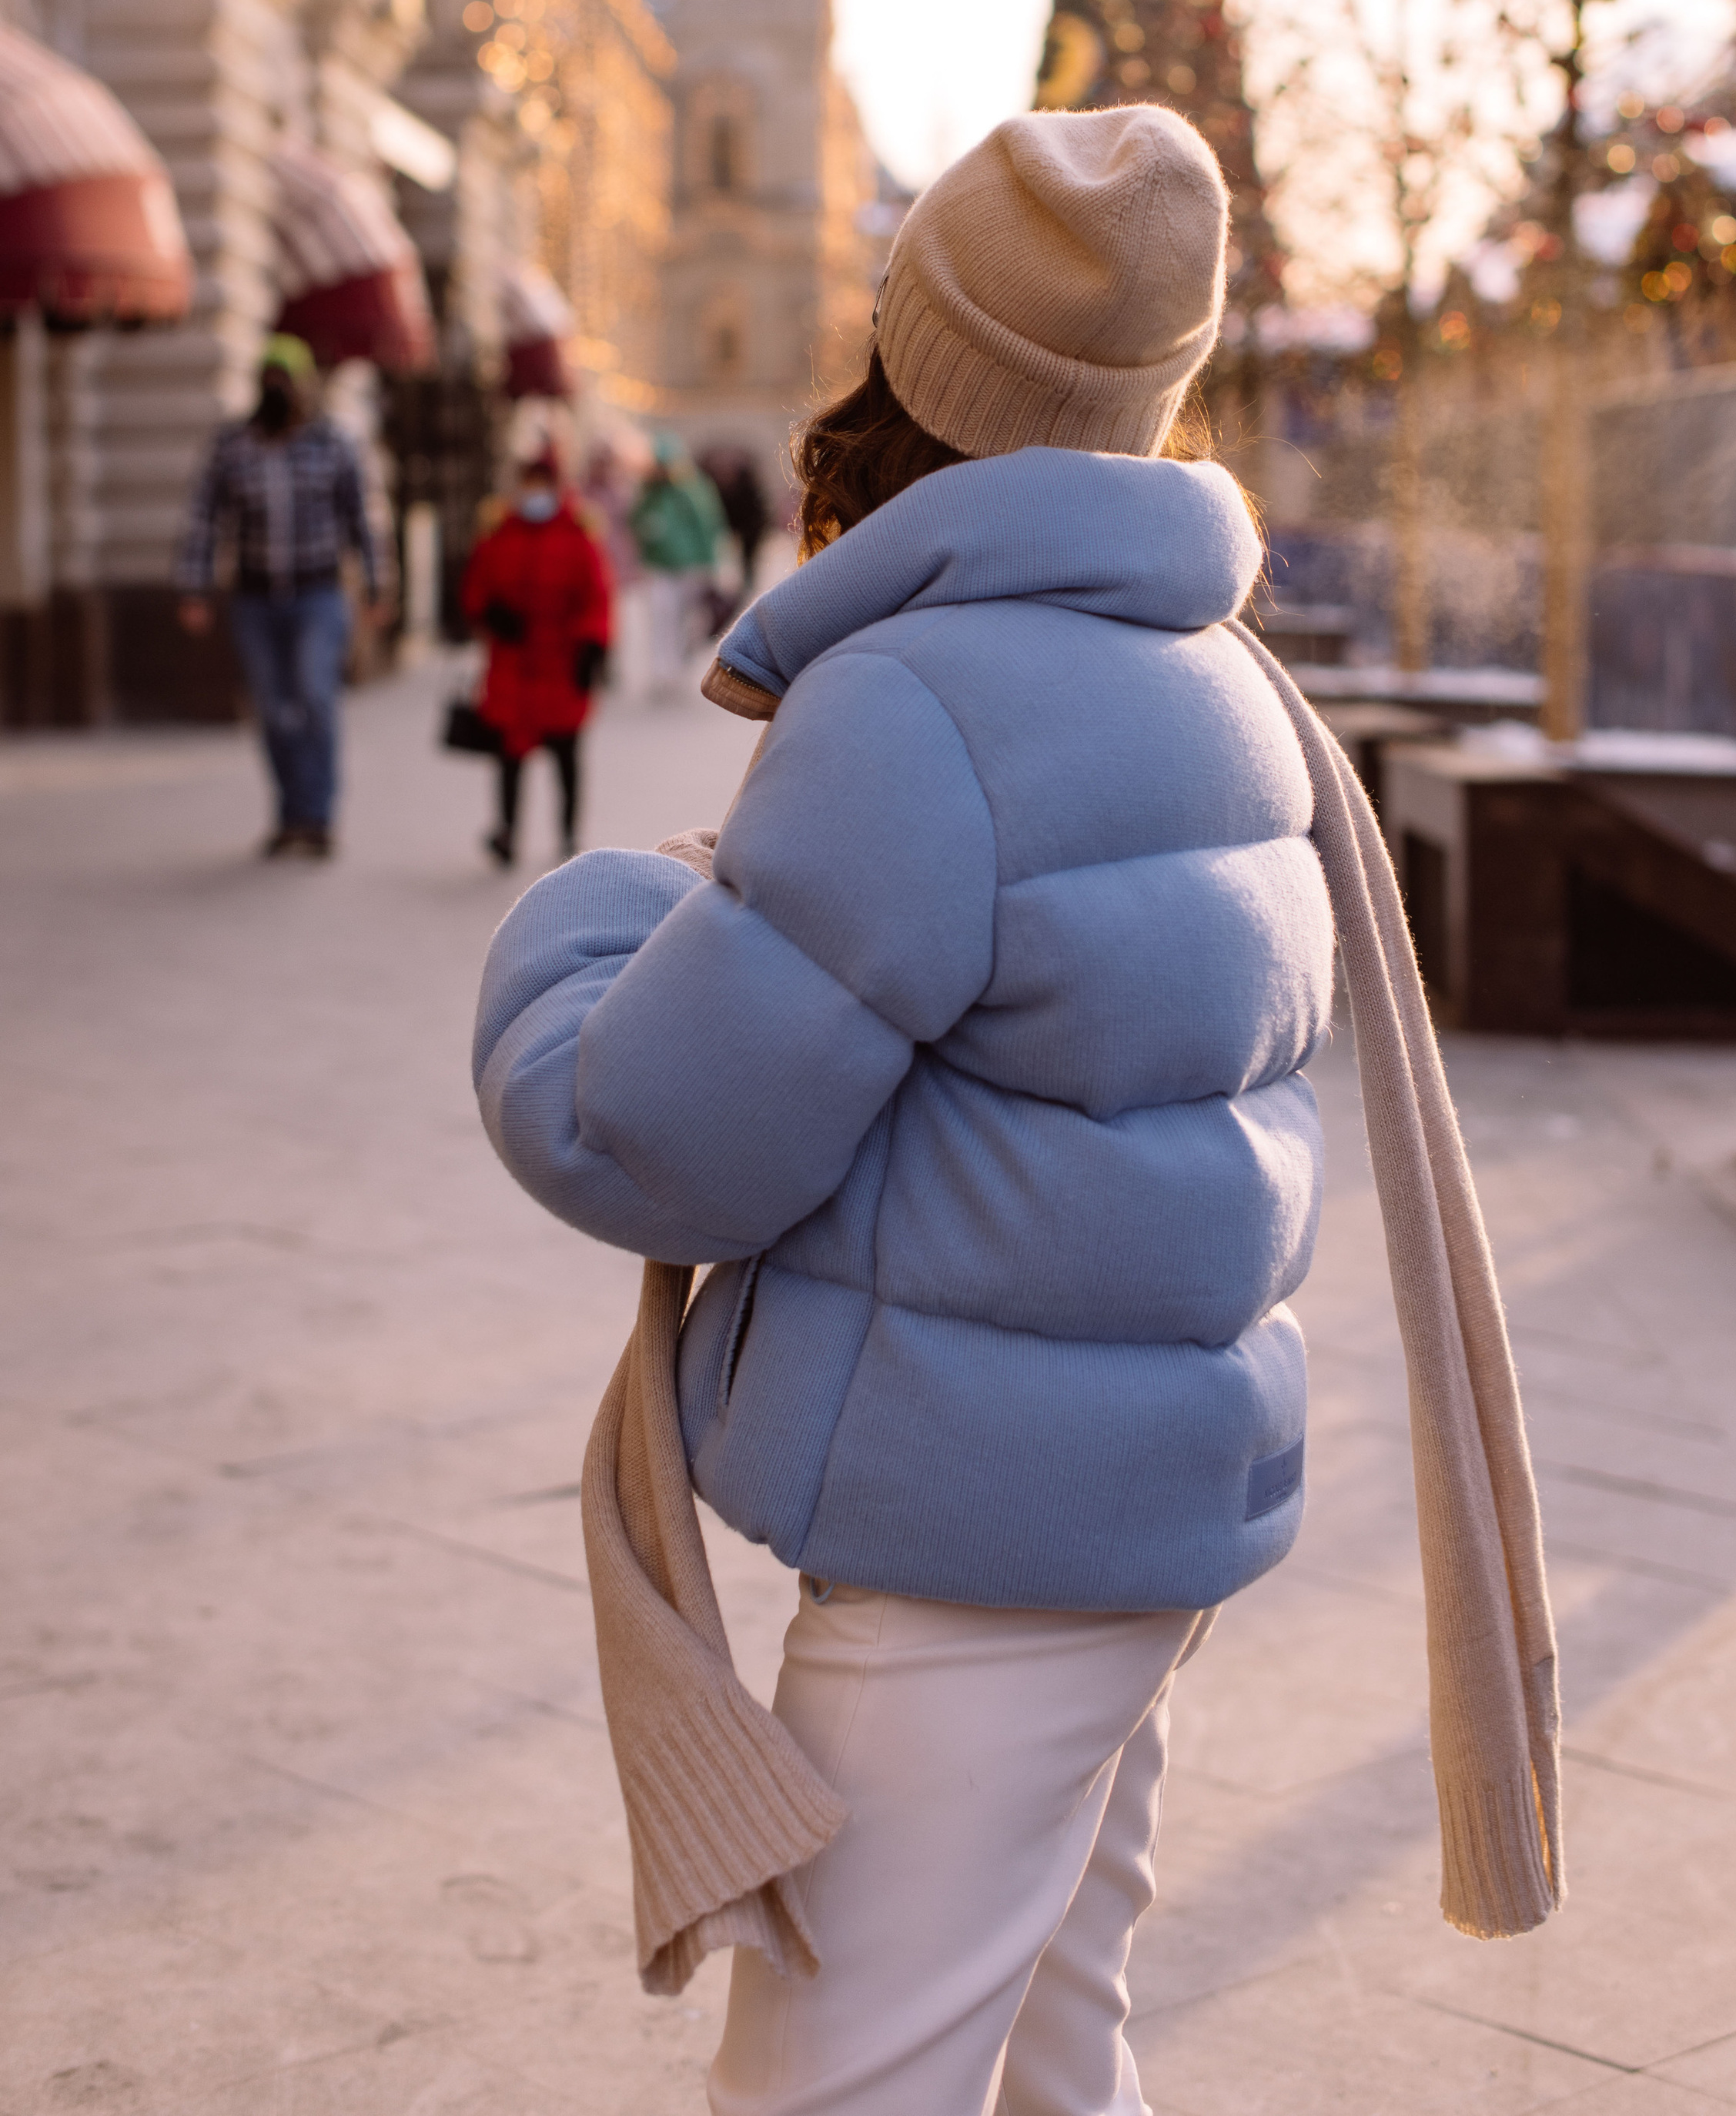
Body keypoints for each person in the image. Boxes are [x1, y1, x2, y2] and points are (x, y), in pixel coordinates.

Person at [473, 109, 1560, 2115]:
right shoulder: (1221, 673)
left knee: (840, 2081)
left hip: (971, 1538)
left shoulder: (921, 704)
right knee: (1062, 2050)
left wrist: (593, 919)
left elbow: (648, 1135)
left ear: (916, 362)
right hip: (1142, 1509)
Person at [175, 334, 380, 859]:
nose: (276, 390)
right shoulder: (233, 445)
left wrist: (378, 584)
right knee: (271, 708)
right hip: (255, 598)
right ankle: (288, 812)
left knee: (314, 696)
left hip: (318, 592)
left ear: (305, 386)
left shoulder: (333, 442)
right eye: (268, 380)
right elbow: (204, 518)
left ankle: (318, 814)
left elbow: (362, 519)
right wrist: (194, 587)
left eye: (285, 380)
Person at [462, 445, 612, 869]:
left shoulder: (580, 532)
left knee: (566, 753)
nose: (534, 493)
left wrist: (592, 646)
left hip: (561, 663)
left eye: (541, 484)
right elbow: (476, 586)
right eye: (528, 484)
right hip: (512, 666)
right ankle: (507, 832)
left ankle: (568, 834)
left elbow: (597, 596)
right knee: (509, 755)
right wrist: (489, 612)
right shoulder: (498, 531)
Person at [627, 436, 726, 696]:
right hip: (659, 565)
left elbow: (707, 527)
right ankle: (663, 671)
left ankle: (679, 666)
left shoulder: (693, 489)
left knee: (687, 621)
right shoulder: (649, 492)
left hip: (690, 565)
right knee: (662, 617)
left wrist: (710, 564)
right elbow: (635, 521)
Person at [698, 445, 771, 593]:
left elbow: (758, 512)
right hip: (730, 524)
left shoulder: (747, 487)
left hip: (749, 526)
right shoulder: (714, 486)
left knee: (748, 558)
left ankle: (748, 583)